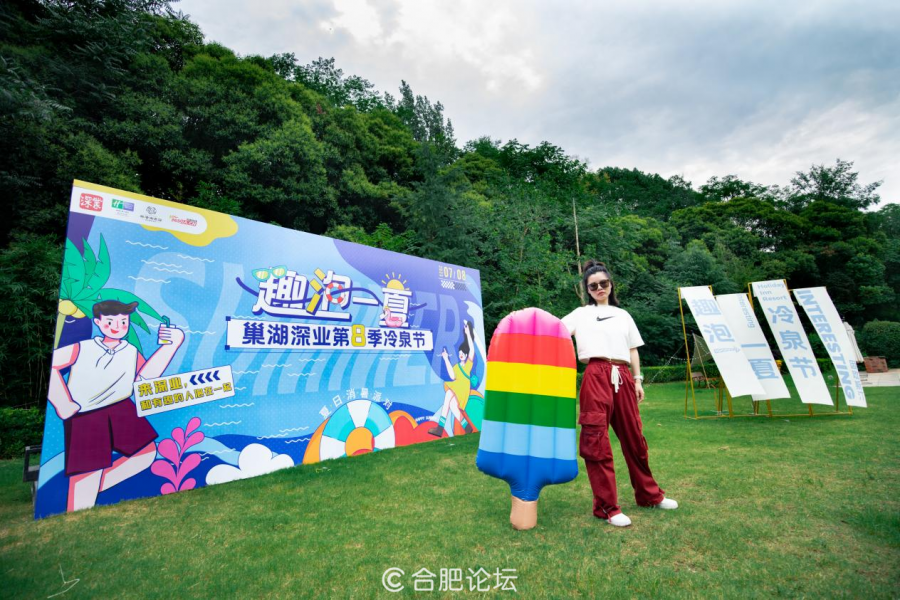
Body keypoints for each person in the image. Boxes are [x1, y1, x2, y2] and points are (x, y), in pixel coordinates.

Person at [561, 260, 677, 527]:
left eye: (603, 283)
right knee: (596, 440)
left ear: (611, 284)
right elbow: (553, 331)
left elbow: (633, 349)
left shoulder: (623, 315)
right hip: (595, 374)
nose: (599, 288)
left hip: (623, 376)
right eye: (593, 286)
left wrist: (638, 379)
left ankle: (649, 495)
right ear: (587, 290)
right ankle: (607, 508)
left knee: (635, 439)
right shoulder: (580, 314)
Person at [48, 300, 185, 512]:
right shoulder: (83, 347)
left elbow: (145, 378)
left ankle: (89, 491)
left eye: (123, 321)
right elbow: (53, 365)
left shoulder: (130, 350)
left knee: (145, 453)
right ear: (98, 322)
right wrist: (62, 402)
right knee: (88, 470)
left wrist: (171, 346)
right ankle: (81, 502)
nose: (117, 326)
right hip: (86, 414)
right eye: (110, 321)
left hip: (121, 407)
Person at [430, 320, 477, 437]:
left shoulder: (468, 365)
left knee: (448, 396)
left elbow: (472, 350)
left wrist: (468, 334)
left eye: (463, 353)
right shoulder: (456, 366)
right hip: (456, 386)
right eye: (460, 352)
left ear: (466, 355)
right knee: (453, 407)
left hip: (462, 388)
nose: (461, 354)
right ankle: (467, 427)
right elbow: (452, 376)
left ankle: (440, 428)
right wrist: (446, 359)